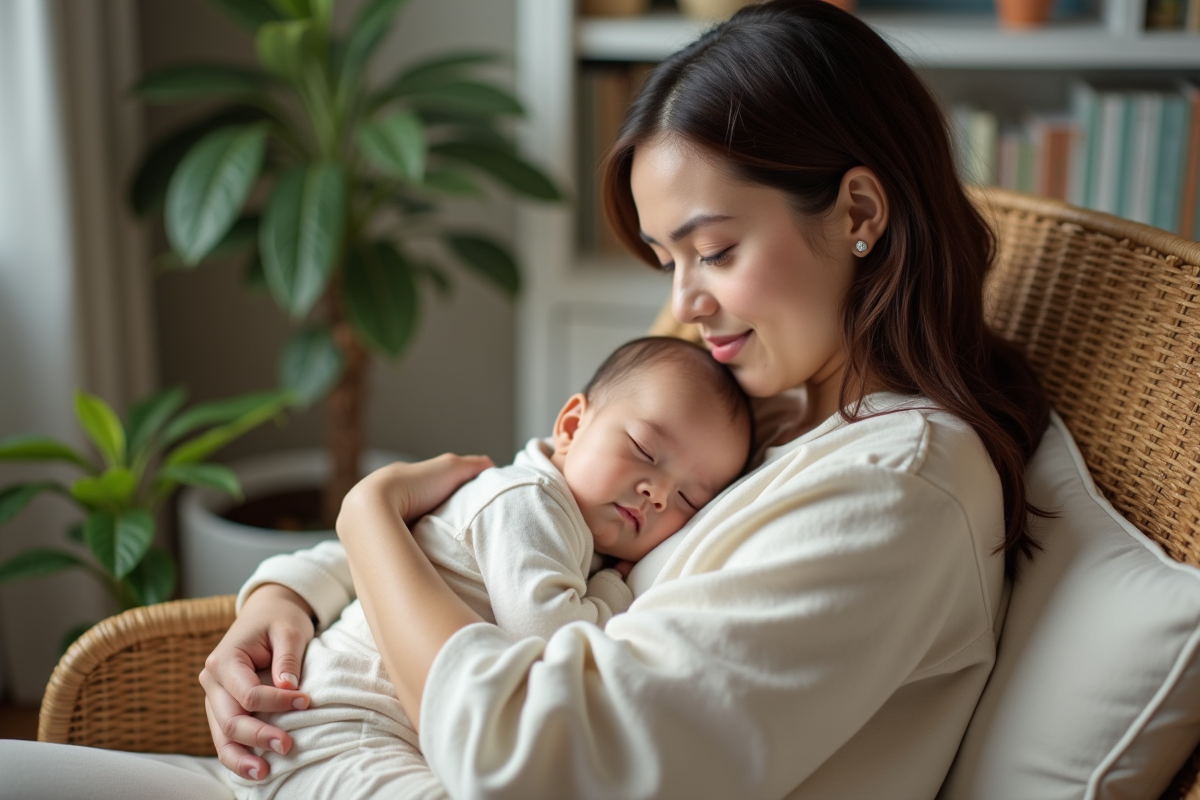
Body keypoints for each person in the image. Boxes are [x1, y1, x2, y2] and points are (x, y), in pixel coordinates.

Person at [0, 2, 1050, 798]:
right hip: (349, 735)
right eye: (669, 259)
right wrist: (286, 598)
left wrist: (367, 517)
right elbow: (497, 509)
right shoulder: (768, 405)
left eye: (716, 250)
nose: (686, 303)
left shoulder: (895, 489)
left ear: (859, 211)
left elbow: (537, 760)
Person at [227, 336, 752, 799]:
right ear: (572, 426)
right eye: (644, 450)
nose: (658, 493)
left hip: (378, 735)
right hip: (339, 728)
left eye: (689, 497)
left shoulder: (571, 524)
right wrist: (618, 588)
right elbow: (549, 636)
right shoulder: (531, 501)